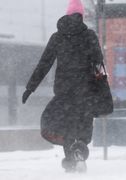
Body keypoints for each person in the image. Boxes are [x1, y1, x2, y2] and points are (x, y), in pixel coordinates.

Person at [22, 0, 103, 172]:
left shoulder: (57, 37)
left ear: (67, 15)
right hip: (85, 92)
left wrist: (30, 87)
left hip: (64, 93)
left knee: (66, 126)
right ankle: (79, 153)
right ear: (82, 16)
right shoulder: (89, 36)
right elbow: (98, 65)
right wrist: (103, 88)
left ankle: (71, 160)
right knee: (83, 126)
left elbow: (44, 64)